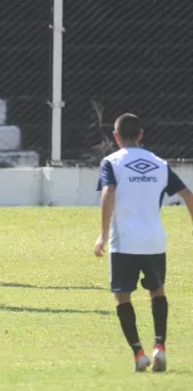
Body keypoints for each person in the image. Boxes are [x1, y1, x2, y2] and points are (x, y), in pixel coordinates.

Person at [93, 113, 193, 372]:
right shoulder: (159, 163)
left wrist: (103, 234)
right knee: (157, 292)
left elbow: (108, 193)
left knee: (122, 297)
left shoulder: (111, 162)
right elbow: (187, 195)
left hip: (124, 242)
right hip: (154, 241)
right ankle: (160, 347)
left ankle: (139, 354)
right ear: (141, 134)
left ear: (115, 137)